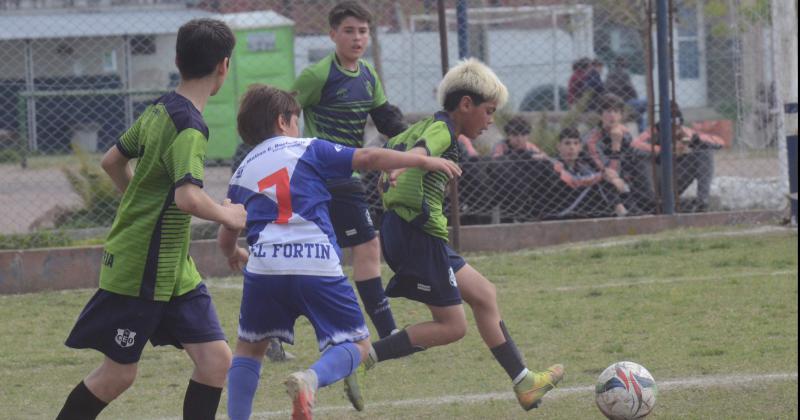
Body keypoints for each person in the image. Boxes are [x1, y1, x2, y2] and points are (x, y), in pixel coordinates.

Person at [221, 84, 461, 420]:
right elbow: (368, 157)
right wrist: (423, 161)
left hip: (265, 269)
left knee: (248, 350)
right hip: (316, 263)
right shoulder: (308, 148)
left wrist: (233, 251)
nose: (298, 127)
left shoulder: (241, 172)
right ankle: (311, 379)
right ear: (282, 121)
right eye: (296, 120)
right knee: (359, 347)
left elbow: (227, 229)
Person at [56, 19, 243, 420]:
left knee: (215, 360)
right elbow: (188, 197)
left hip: (174, 267)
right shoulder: (189, 127)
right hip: (141, 265)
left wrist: (140, 204)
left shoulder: (161, 108)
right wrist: (228, 214)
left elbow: (112, 161)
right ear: (224, 67)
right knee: (119, 373)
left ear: (177, 60)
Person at [365, 58, 565, 412]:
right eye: (488, 111)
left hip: (407, 231)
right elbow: (422, 150)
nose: (491, 120)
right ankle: (361, 356)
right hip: (417, 235)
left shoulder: (425, 125)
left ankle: (525, 383)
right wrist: (407, 163)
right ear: (466, 104)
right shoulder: (442, 129)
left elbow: (401, 148)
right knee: (453, 326)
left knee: (485, 294)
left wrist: (397, 166)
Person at [280, 0, 407, 364]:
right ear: (332, 34)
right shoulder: (318, 74)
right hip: (324, 175)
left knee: (322, 257)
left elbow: (386, 119)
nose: (357, 38)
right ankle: (388, 332)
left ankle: (273, 331)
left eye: (363, 31)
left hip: (346, 175)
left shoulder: (367, 75)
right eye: (349, 31)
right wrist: (289, 154)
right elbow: (282, 113)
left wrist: (413, 142)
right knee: (365, 247)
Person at [631, 102, 724, 212]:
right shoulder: (653, 132)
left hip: (675, 179)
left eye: (677, 124)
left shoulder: (684, 132)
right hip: (655, 180)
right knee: (641, 158)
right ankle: (653, 204)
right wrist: (666, 150)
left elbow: (720, 142)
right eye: (670, 124)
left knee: (705, 153)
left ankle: (702, 202)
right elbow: (634, 145)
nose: (674, 129)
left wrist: (695, 139)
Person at [539, 127, 628, 219]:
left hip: (578, 206)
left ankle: (622, 211)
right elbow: (573, 181)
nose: (572, 147)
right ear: (559, 146)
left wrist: (612, 179)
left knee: (603, 183)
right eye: (567, 143)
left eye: (575, 143)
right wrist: (602, 176)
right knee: (600, 182)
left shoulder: (582, 165)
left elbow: (594, 176)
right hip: (558, 209)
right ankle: (622, 212)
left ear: (580, 147)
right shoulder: (555, 163)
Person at [585, 93, 653, 213]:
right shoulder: (592, 140)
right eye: (607, 111)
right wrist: (615, 145)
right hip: (605, 184)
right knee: (610, 182)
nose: (612, 116)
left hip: (627, 181)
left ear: (621, 115)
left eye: (616, 111)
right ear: (601, 115)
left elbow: (631, 158)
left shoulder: (624, 132)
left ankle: (648, 202)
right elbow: (608, 172)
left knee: (641, 157)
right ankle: (629, 209)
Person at [605, 56, 646, 133]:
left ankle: (636, 116)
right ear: (624, 65)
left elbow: (606, 88)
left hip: (614, 101)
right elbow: (631, 89)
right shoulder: (624, 74)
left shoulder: (609, 74)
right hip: (625, 101)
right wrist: (635, 97)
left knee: (638, 111)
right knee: (646, 101)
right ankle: (642, 130)